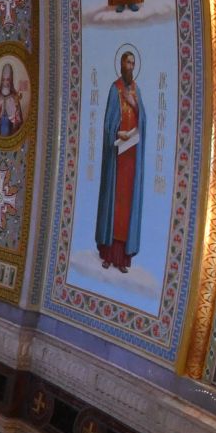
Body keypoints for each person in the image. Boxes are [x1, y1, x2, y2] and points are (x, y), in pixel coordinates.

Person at [95, 47, 144, 273]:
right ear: (122, 65)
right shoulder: (114, 89)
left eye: (133, 63)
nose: (130, 67)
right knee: (113, 203)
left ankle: (123, 259)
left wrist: (134, 105)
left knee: (126, 205)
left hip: (131, 159)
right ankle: (107, 254)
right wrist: (117, 133)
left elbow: (143, 119)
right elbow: (107, 123)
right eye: (127, 63)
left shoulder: (136, 91)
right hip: (117, 157)